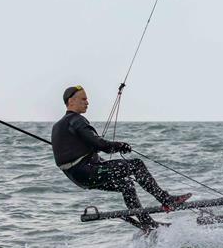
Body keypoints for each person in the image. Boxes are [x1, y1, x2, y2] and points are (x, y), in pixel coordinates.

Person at [51, 85, 190, 232]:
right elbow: (99, 144)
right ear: (71, 101)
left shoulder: (58, 126)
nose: (87, 102)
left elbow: (75, 149)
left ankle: (147, 223)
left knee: (126, 185)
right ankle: (166, 200)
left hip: (78, 178)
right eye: (83, 99)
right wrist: (119, 146)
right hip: (88, 171)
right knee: (136, 165)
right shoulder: (77, 120)